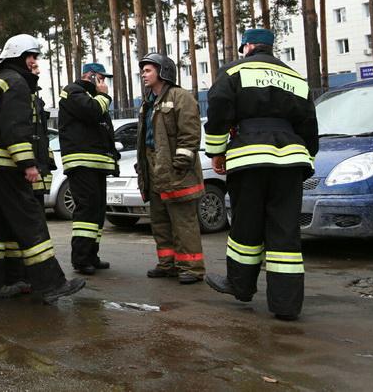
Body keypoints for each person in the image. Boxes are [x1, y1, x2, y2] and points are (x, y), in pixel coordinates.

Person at [204, 28, 318, 321]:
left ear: (249, 46)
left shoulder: (233, 71)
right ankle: (286, 305)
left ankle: (240, 286)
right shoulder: (295, 77)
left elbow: (218, 109)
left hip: (249, 157)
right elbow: (309, 123)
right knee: (285, 233)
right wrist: (307, 157)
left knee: (246, 225)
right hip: (291, 160)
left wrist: (216, 151)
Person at [0, 34, 85, 303]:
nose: (35, 62)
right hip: (7, 165)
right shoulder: (17, 84)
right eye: (32, 56)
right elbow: (15, 128)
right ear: (19, 57)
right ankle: (51, 284)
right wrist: (28, 164)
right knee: (30, 220)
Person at [136, 53, 205, 284]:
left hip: (176, 171)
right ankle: (168, 264)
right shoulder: (148, 101)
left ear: (162, 71)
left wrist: (180, 164)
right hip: (154, 169)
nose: (144, 74)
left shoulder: (180, 97)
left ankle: (192, 268)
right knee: (160, 220)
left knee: (183, 222)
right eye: (143, 70)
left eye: (148, 70)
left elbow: (190, 134)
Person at [57, 62, 119, 275]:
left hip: (97, 164)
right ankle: (81, 259)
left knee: (97, 210)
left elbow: (103, 129)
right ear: (90, 76)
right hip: (82, 163)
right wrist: (104, 96)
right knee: (86, 210)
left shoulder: (93, 97)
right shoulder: (73, 92)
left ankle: (92, 255)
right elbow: (92, 112)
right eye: (101, 78)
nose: (104, 83)